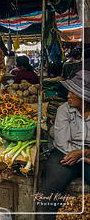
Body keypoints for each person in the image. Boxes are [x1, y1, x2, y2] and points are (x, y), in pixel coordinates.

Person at [40, 70, 90, 220]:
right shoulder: (64, 110)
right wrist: (83, 157)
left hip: (87, 154)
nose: (68, 95)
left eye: (73, 92)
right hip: (64, 152)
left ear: (85, 98)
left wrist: (83, 153)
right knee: (50, 188)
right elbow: (62, 142)